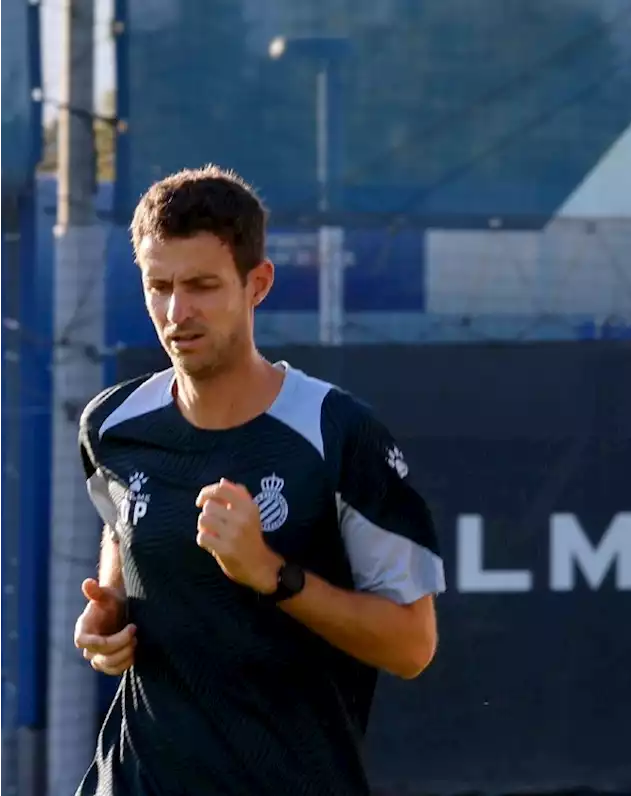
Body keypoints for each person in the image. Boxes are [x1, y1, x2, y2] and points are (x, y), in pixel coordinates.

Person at [72, 165, 446, 795]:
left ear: (258, 283)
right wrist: (108, 613)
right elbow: (122, 532)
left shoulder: (337, 432)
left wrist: (273, 576)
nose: (176, 311)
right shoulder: (111, 425)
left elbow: (412, 644)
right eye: (158, 285)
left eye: (202, 286)